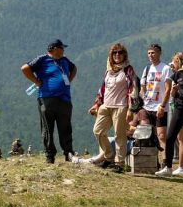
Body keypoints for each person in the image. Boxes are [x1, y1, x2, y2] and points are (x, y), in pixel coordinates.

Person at [21, 39, 78, 164]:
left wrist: (69, 80)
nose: (64, 50)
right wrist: (36, 81)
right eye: (62, 48)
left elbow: (74, 68)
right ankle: (50, 155)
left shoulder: (65, 60)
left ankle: (68, 153)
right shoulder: (42, 59)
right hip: (46, 98)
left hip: (64, 99)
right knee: (47, 127)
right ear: (55, 49)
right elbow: (25, 68)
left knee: (65, 127)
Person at [88, 42, 139, 171]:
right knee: (98, 131)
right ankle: (109, 156)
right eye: (114, 53)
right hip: (106, 105)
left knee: (119, 135)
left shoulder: (128, 69)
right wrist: (96, 104)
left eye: (120, 52)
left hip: (120, 106)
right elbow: (103, 89)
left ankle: (119, 163)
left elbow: (133, 89)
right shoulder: (108, 70)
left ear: (124, 55)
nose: (117, 55)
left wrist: (131, 109)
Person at [155, 52, 183, 177]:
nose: (172, 64)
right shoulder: (177, 75)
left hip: (182, 108)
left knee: (181, 139)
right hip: (176, 106)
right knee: (178, 138)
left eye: (174, 62)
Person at [141, 44, 173, 162]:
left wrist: (163, 106)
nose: (150, 55)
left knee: (161, 136)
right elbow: (143, 86)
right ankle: (152, 161)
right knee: (147, 135)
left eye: (153, 53)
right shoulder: (147, 68)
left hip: (159, 107)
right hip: (147, 106)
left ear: (159, 53)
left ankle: (166, 162)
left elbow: (168, 89)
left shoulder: (165, 68)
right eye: (149, 53)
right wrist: (143, 98)